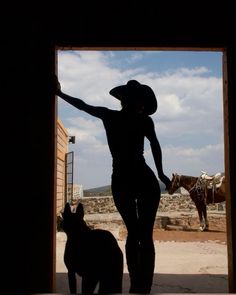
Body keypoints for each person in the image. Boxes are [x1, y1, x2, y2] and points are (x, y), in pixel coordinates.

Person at [54, 77, 171, 293]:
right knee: (143, 236)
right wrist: (161, 174)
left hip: (123, 180)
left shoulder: (111, 116)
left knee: (136, 234)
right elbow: (155, 145)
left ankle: (139, 285)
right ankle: (141, 287)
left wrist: (60, 94)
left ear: (122, 100)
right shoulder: (143, 121)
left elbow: (83, 105)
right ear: (137, 102)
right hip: (141, 179)